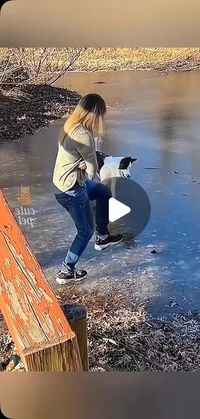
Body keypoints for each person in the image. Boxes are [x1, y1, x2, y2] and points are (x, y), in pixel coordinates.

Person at [53, 93, 123, 285]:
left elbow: (78, 158)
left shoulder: (71, 125)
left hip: (63, 181)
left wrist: (84, 163)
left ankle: (103, 236)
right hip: (72, 189)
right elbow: (92, 170)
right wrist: (96, 165)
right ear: (96, 114)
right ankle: (66, 271)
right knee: (84, 232)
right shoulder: (84, 135)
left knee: (103, 193)